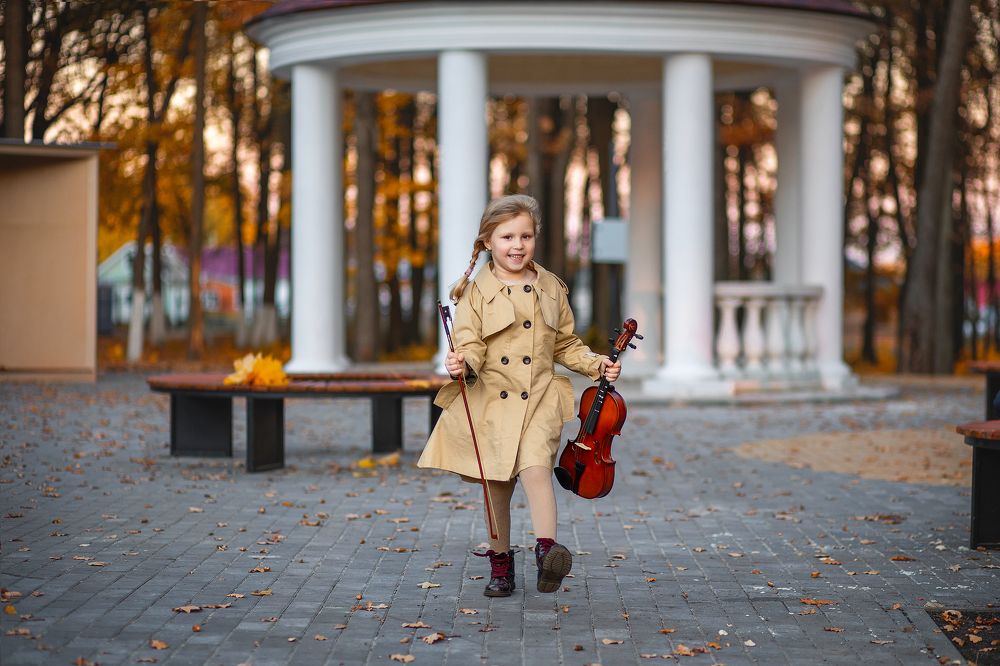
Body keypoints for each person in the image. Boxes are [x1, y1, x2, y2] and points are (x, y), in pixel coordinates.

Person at [418, 194, 621, 597]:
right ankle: (501, 566)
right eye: (507, 236)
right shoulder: (475, 293)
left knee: (537, 471)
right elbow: (470, 343)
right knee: (497, 487)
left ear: (535, 238)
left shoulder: (551, 286)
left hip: (541, 399)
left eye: (526, 236)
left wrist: (596, 363)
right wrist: (462, 363)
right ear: (488, 242)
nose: (517, 245)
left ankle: (547, 553)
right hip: (493, 400)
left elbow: (565, 344)